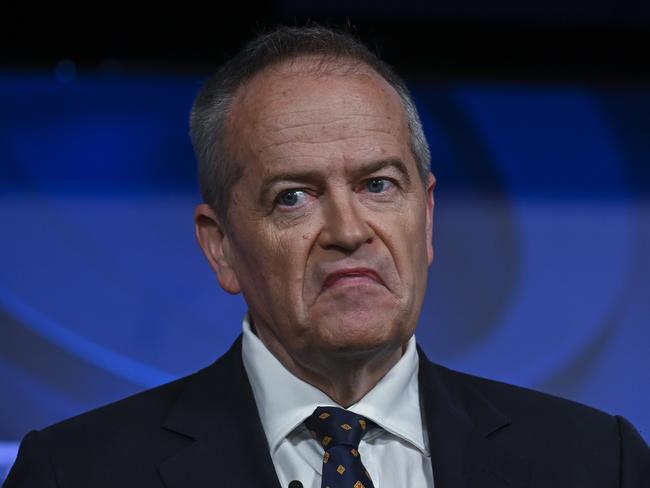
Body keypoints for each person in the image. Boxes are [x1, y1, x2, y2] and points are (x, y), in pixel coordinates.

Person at [4, 25, 650, 488]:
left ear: (425, 218)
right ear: (220, 246)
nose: (349, 230)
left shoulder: (599, 462)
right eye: (294, 197)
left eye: (378, 185)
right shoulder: (75, 472)